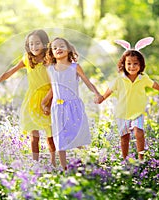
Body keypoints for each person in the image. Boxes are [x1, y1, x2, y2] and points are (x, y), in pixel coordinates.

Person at [0, 29, 56, 166]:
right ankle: (35, 163)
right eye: (31, 44)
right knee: (34, 134)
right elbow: (10, 71)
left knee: (50, 135)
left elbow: (56, 83)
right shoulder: (27, 58)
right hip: (32, 98)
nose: (34, 47)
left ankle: (54, 162)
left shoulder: (49, 60)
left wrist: (47, 101)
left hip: (48, 97)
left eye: (37, 43)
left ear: (44, 43)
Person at [99, 37, 159, 161]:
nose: (132, 67)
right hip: (122, 112)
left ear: (141, 65)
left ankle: (141, 158)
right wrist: (101, 99)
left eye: (135, 64)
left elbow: (154, 84)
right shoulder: (119, 79)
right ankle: (125, 159)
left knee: (139, 133)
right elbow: (109, 90)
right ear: (123, 64)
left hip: (137, 112)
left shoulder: (143, 78)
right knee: (124, 137)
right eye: (129, 64)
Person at [42, 37, 103, 170]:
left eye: (61, 46)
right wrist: (44, 103)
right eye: (55, 48)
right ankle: (64, 168)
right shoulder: (50, 69)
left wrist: (97, 93)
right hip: (58, 108)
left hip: (74, 106)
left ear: (69, 49)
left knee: (78, 135)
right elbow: (53, 88)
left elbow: (87, 82)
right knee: (60, 138)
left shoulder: (75, 67)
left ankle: (84, 163)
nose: (58, 49)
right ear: (51, 53)